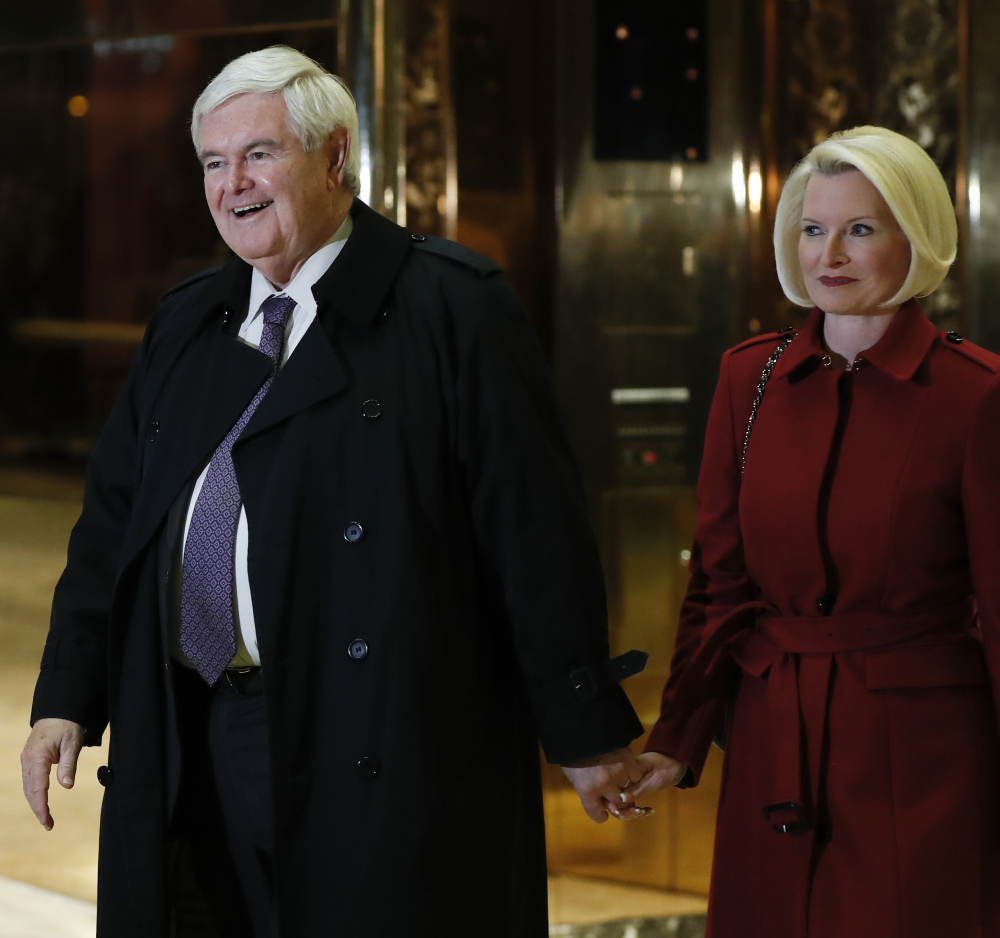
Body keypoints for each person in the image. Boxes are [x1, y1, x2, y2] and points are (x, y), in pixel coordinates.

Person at [19, 46, 651, 938]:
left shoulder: (451, 308)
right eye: (212, 162)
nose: (233, 183)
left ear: (334, 157)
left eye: (260, 154)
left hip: (375, 738)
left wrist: (583, 730)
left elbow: (534, 534)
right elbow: (114, 529)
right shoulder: (188, 320)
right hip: (191, 728)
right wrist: (68, 699)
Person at [626, 126, 1000, 937]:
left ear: (918, 238)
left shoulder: (977, 397)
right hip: (772, 738)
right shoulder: (747, 376)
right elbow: (720, 581)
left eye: (861, 229)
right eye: (812, 227)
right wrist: (678, 734)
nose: (828, 252)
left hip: (920, 755)